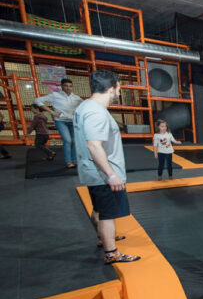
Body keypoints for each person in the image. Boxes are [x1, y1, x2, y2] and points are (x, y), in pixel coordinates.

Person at [73, 70, 140, 264]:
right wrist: (111, 175)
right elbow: (94, 145)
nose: (119, 92)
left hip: (92, 171)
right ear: (111, 88)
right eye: (118, 88)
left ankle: (103, 238)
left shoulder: (84, 106)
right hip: (102, 174)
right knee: (107, 214)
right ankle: (112, 253)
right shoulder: (97, 112)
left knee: (99, 209)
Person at [35, 78, 83, 168]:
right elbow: (37, 100)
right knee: (67, 140)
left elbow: (85, 106)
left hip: (73, 121)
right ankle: (68, 161)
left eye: (70, 86)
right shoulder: (55, 95)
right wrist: (51, 112)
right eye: (66, 86)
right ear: (62, 86)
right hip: (61, 121)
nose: (68, 88)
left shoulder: (76, 98)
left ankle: (74, 160)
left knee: (73, 141)